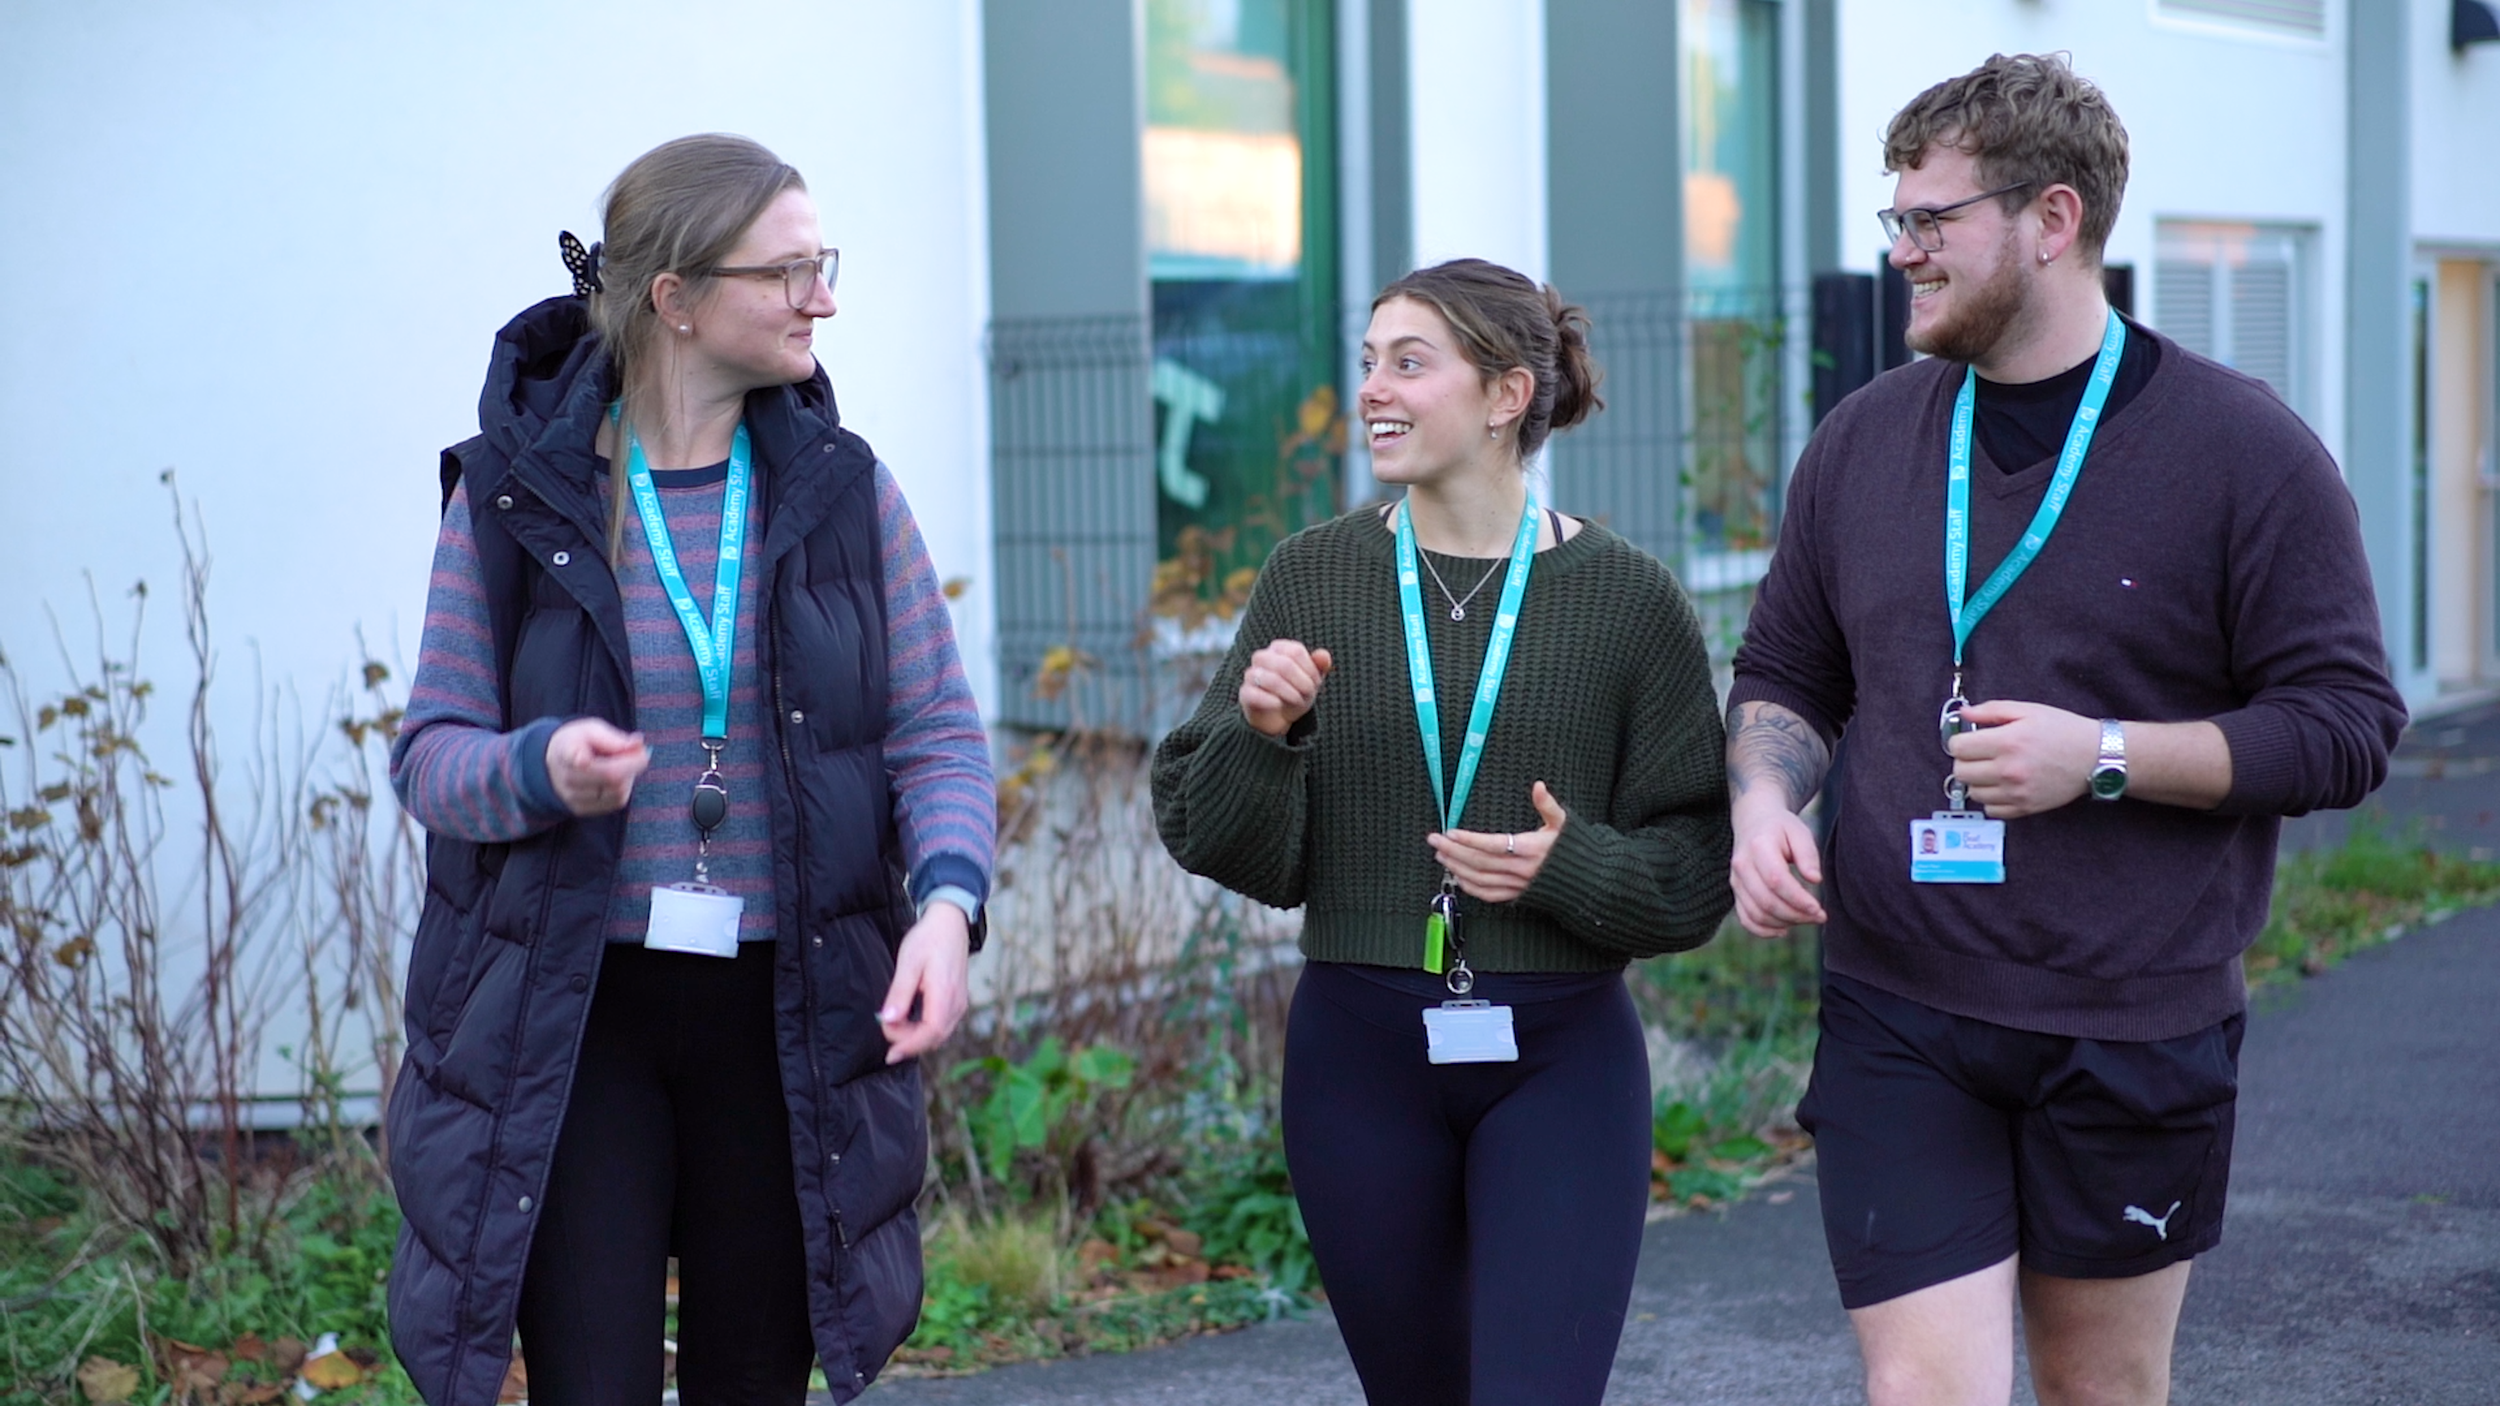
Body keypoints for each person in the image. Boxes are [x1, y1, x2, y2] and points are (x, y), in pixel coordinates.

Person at [1726, 55, 2407, 1406]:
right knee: (1924, 1389)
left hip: (2131, 1018)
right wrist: (1761, 799)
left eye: (1933, 219)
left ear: (2052, 218)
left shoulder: (2244, 450)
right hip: (1898, 1003)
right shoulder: (1862, 440)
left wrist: (2102, 755)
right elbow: (1788, 669)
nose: (1903, 251)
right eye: (1896, 219)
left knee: (2101, 1388)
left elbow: (2345, 726)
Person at [385, 134, 996, 1406]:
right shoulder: (513, 499)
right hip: (571, 1018)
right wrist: (540, 767)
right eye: (785, 273)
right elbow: (431, 757)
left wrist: (946, 908)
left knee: (754, 1380)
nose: (821, 299)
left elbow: (935, 731)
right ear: (674, 298)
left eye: (822, 265)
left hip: (793, 1017)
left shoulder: (843, 491)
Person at [1151, 258, 1734, 1406]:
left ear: (1507, 393)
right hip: (1355, 1058)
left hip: (1561, 1059)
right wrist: (1263, 734)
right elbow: (1212, 836)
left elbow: (1697, 867)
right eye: (1369, 360)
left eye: (1409, 363)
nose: (1373, 388)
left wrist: (1571, 866)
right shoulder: (1312, 573)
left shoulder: (1630, 599)